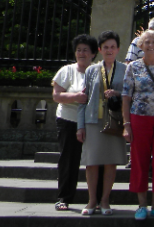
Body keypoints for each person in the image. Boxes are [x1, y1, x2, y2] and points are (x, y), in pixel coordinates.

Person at [76, 30, 129, 215]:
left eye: (112, 47)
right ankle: (91, 201)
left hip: (115, 121)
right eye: (105, 47)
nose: (109, 50)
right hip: (93, 120)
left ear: (118, 49)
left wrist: (117, 94)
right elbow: (83, 99)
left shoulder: (125, 69)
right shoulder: (91, 70)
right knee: (91, 163)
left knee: (110, 162)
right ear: (99, 49)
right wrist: (80, 126)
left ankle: (105, 200)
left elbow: (132, 96)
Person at [121, 30, 154, 220]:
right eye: (147, 42)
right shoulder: (133, 67)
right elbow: (126, 97)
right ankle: (141, 205)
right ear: (140, 46)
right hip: (139, 118)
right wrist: (126, 124)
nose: (151, 45)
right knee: (140, 161)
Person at [52, 34, 98, 212]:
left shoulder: (98, 70)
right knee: (69, 160)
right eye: (78, 50)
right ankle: (63, 197)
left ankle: (96, 199)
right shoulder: (67, 71)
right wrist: (76, 97)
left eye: (85, 50)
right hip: (68, 120)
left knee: (95, 161)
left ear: (93, 53)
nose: (81, 53)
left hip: (92, 122)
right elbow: (56, 96)